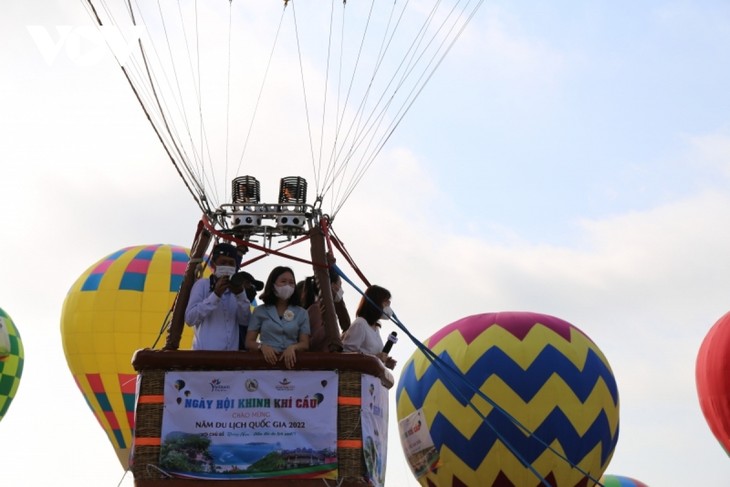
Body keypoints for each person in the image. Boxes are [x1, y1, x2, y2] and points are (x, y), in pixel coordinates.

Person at [185, 243, 252, 350]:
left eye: (231, 263)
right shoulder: (202, 285)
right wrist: (215, 295)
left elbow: (245, 321)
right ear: (213, 265)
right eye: (223, 262)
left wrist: (240, 295)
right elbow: (190, 319)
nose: (227, 266)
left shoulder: (238, 291)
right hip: (204, 360)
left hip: (229, 361)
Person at [245, 266, 310, 368]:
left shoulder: (302, 313)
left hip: (291, 364)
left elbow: (305, 343)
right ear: (273, 285)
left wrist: (293, 347)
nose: (287, 285)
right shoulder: (259, 311)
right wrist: (262, 347)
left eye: (291, 282)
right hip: (264, 364)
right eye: (283, 281)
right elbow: (249, 342)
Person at [342, 285, 396, 369]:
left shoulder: (375, 328)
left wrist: (385, 362)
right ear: (375, 302)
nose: (388, 306)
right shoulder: (360, 323)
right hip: (359, 379)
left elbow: (372, 356)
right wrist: (375, 358)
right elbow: (346, 355)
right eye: (386, 302)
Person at [307, 270, 351, 352]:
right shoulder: (316, 309)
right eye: (340, 285)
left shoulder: (328, 309)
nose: (341, 290)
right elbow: (313, 343)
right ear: (332, 286)